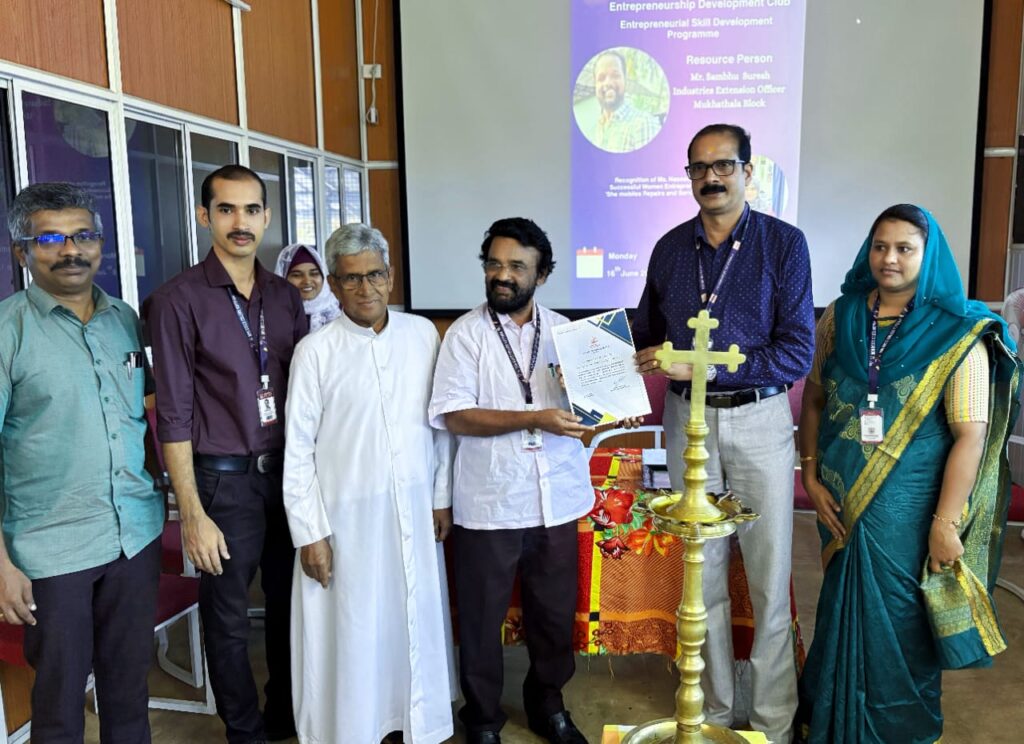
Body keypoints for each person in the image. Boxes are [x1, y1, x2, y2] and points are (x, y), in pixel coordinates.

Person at [795, 205, 1020, 744]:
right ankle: (830, 727)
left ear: (928, 255)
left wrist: (946, 524)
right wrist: (811, 476)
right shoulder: (842, 317)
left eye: (904, 248)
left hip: (913, 511)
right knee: (840, 609)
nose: (888, 258)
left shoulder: (958, 332)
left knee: (899, 621)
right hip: (842, 498)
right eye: (880, 246)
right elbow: (815, 399)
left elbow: (970, 436)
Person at [632, 124, 814, 743]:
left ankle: (772, 724)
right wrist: (605, 359)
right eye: (699, 168)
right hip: (686, 420)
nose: (711, 178)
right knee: (700, 574)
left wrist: (707, 365)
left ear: (748, 171)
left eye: (724, 166)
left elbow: (796, 352)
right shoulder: (669, 249)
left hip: (760, 417)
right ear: (688, 176)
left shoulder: (783, 245)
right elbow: (646, 332)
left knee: (768, 578)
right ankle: (709, 715)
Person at [147, 164, 307, 744]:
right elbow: (173, 414)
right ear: (204, 216)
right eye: (226, 209)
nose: (241, 222)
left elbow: (307, 396)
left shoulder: (285, 297)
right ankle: (244, 731)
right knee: (229, 618)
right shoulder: (177, 300)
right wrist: (191, 513)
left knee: (292, 607)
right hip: (223, 483)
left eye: (251, 210)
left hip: (287, 477)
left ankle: (286, 716)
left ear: (266, 217)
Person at [0, 182, 163, 742]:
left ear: (100, 244)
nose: (71, 250)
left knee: (129, 695)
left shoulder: (125, 321)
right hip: (50, 551)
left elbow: (142, 415)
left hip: (134, 537)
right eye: (50, 239)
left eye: (83, 235)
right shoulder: (7, 331)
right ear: (21, 251)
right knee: (59, 705)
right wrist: (1, 564)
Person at [282, 223, 456, 744]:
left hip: (413, 511)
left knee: (410, 619)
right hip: (345, 522)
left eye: (375, 275)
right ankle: (354, 729)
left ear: (391, 276)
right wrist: (309, 533)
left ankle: (411, 722)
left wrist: (440, 498)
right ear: (334, 285)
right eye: (352, 279)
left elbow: (439, 427)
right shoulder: (315, 351)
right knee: (354, 628)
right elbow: (298, 449)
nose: (366, 289)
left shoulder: (422, 336)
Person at [429, 217, 593, 744]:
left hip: (557, 498)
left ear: (541, 275)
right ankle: (481, 719)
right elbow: (454, 415)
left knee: (553, 615)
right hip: (489, 500)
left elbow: (589, 414)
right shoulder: (465, 334)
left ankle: (548, 704)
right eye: (494, 264)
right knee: (481, 621)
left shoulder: (570, 334)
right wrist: (533, 418)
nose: (502, 275)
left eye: (517, 267)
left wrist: (605, 410)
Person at [591, 50, 662, 153]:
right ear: (595, 85)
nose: (608, 82)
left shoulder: (644, 123)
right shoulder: (598, 127)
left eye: (615, 75)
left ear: (625, 81)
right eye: (601, 78)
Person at [274, 242, 341, 332]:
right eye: (297, 275)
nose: (307, 281)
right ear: (283, 278)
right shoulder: (272, 314)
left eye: (314, 274)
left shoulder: (337, 310)